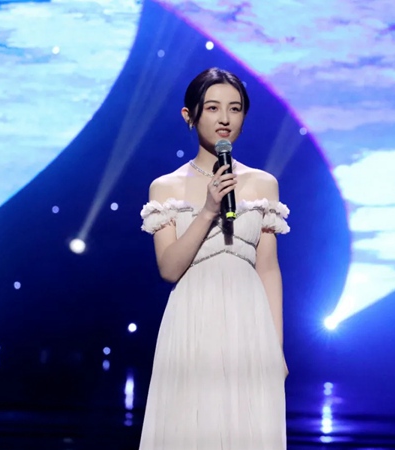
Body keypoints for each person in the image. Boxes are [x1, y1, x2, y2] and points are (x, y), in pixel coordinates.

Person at [139, 67, 290, 449]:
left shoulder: (263, 183)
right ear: (189, 115)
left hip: (249, 325)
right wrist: (208, 209)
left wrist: (276, 348)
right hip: (192, 322)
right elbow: (169, 269)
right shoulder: (165, 187)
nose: (225, 118)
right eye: (212, 107)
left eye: (235, 108)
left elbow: (268, 269)